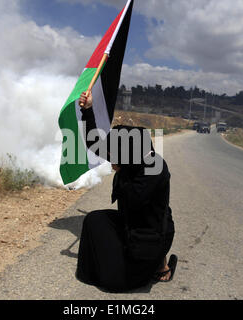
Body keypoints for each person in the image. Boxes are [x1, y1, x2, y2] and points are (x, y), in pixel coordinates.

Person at [76, 91, 177, 292]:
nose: (111, 158)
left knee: (114, 282)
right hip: (129, 223)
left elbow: (133, 200)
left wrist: (121, 171)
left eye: (115, 156)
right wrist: (87, 110)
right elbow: (94, 143)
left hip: (148, 234)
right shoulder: (131, 157)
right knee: (93, 220)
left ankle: (161, 265)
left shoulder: (154, 167)